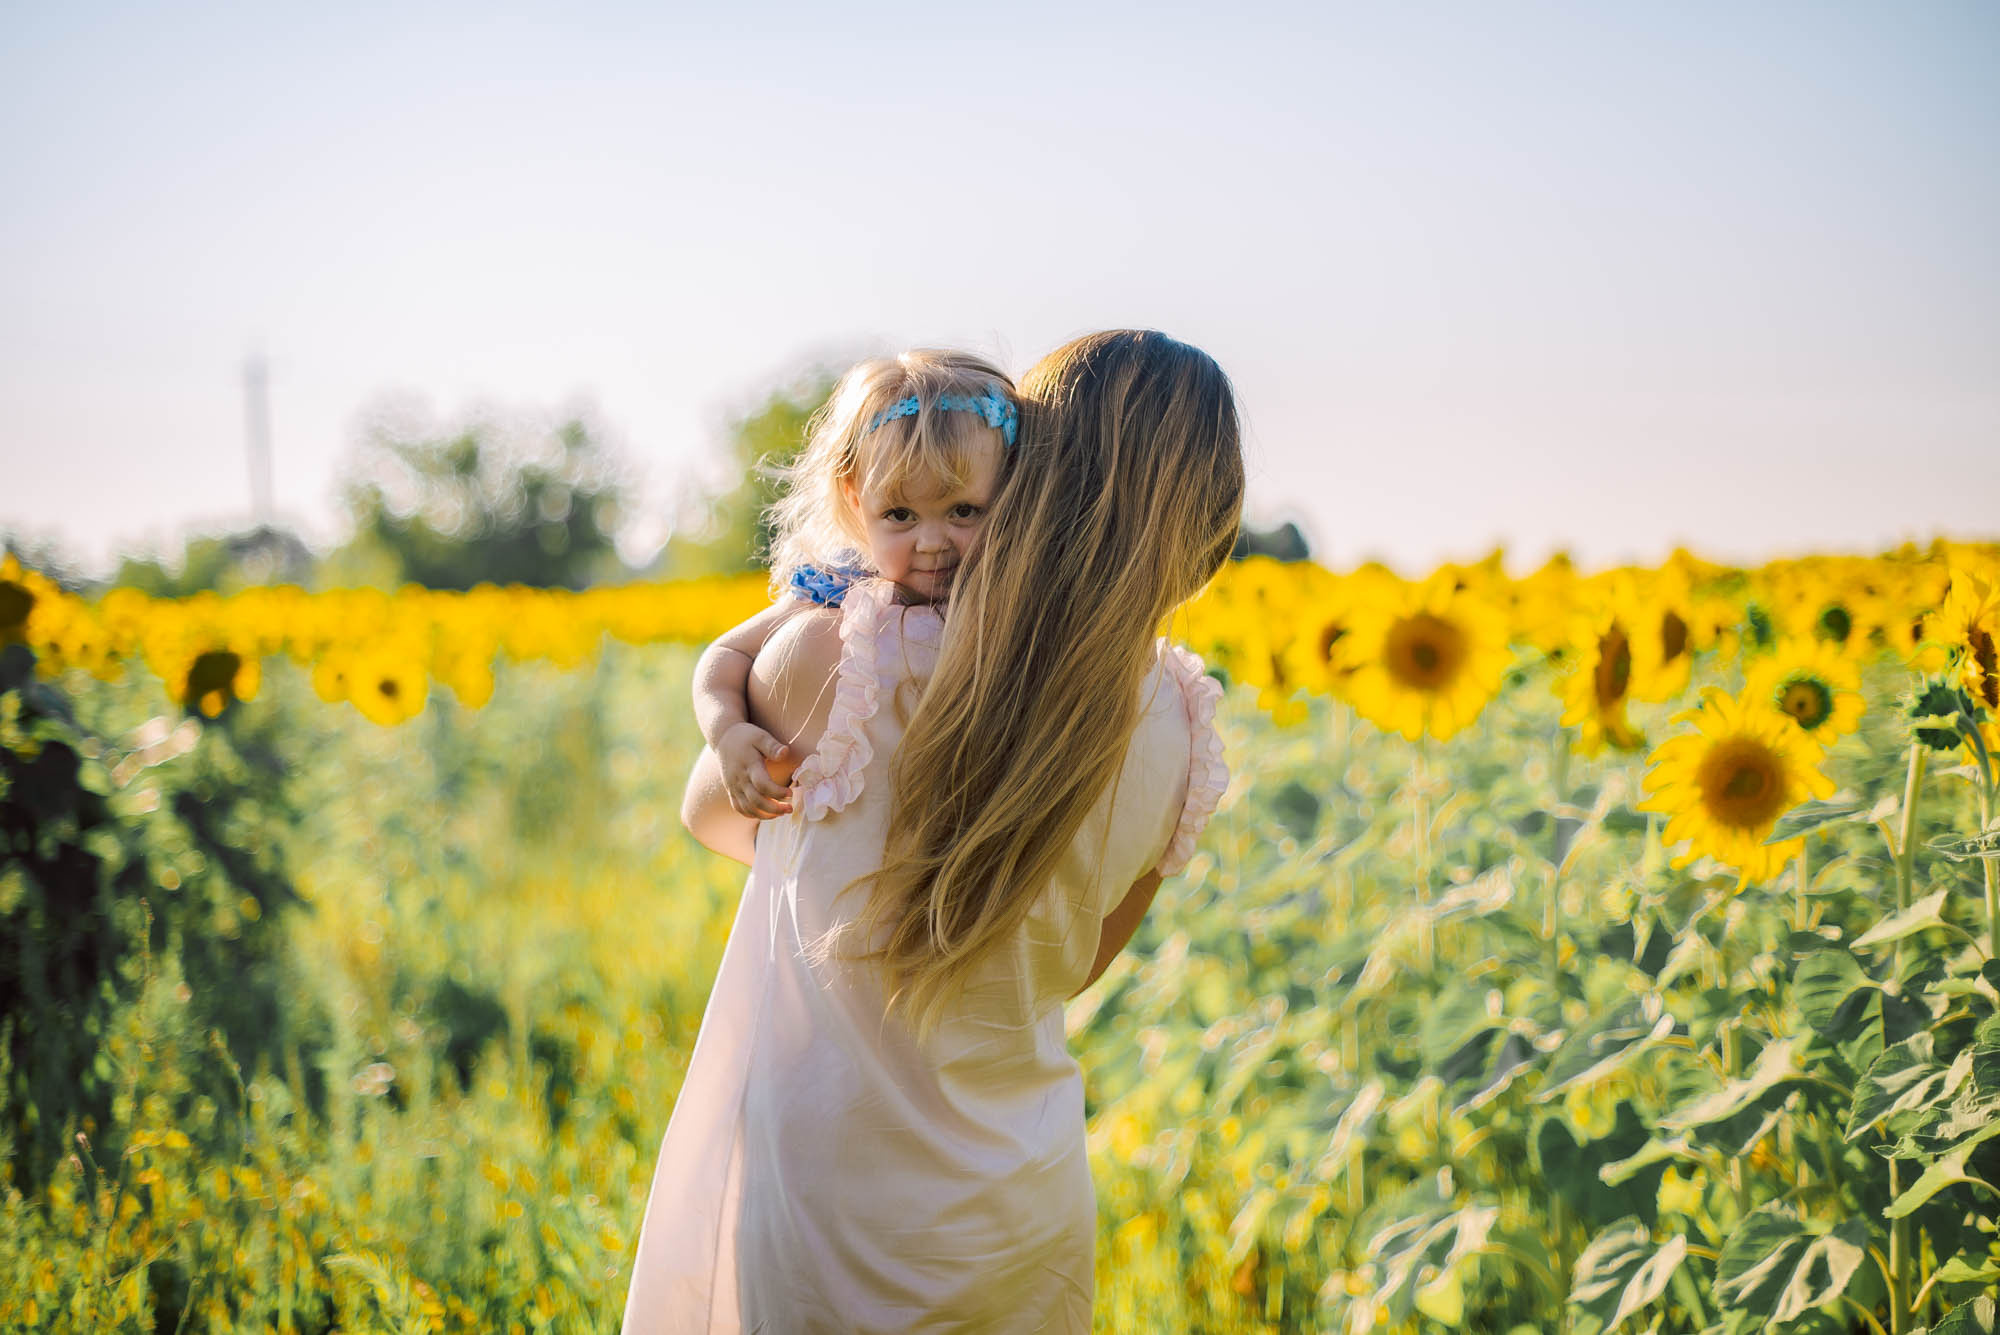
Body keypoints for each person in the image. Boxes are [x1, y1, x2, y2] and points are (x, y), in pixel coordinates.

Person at [619, 330, 1244, 1333]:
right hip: (1019, 1198)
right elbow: (1077, 964)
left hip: (838, 1195)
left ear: (1027, 476)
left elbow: (715, 812)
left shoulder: (841, 652)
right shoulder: (1176, 715)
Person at [690, 348, 1020, 823]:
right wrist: (727, 733)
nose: (931, 542)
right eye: (899, 515)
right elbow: (726, 655)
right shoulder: (842, 580)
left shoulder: (1013, 587)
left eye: (963, 511)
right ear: (854, 497)